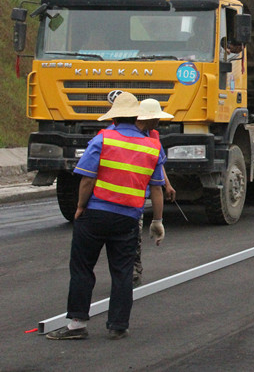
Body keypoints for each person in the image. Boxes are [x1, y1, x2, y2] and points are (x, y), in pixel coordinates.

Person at [47, 92, 167, 341]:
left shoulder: (103, 138)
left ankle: (77, 324)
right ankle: (118, 325)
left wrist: (80, 207)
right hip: (128, 219)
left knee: (82, 268)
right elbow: (157, 188)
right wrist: (157, 220)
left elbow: (88, 178)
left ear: (114, 117)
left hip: (95, 214)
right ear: (137, 116)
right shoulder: (153, 146)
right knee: (123, 271)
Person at [133, 99, 176, 287]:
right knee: (132, 238)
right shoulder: (130, 135)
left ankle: (132, 272)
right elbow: (155, 187)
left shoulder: (153, 135)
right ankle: (131, 273)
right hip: (133, 199)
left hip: (128, 199)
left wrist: (167, 183)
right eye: (156, 117)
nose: (159, 121)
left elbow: (156, 164)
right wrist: (158, 221)